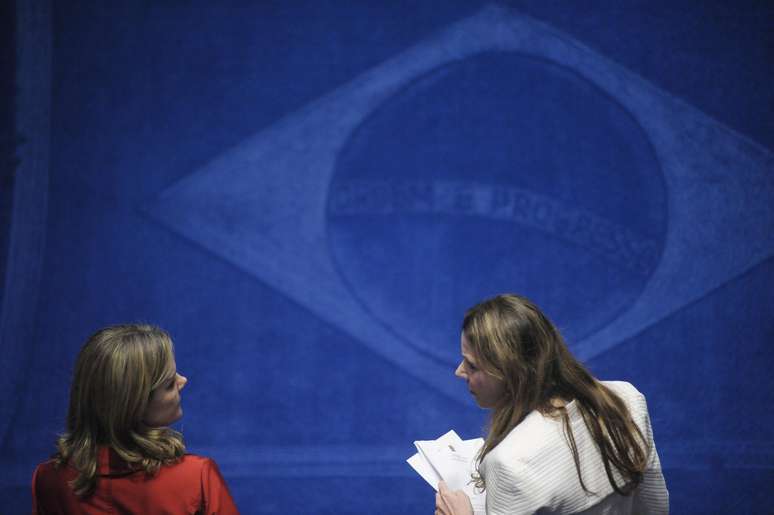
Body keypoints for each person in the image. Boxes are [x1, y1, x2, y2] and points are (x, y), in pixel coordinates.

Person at [435, 294, 668, 515]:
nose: (459, 371)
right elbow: (656, 507)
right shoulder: (626, 398)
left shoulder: (509, 464)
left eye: (472, 365)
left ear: (512, 372)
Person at [32, 324, 239, 514]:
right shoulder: (198, 478)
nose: (183, 381)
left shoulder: (48, 481)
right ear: (134, 406)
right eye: (168, 384)